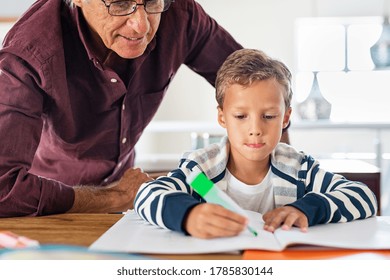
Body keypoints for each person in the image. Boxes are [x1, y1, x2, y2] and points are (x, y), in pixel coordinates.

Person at [0, 0, 255, 217]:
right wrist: (113, 197)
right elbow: (4, 190)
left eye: (153, 1)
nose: (141, 26)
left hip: (128, 198)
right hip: (50, 210)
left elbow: (257, 82)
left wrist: (277, 178)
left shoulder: (179, 14)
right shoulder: (27, 55)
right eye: (120, 3)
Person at [134, 49, 378, 239]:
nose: (255, 130)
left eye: (269, 116)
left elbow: (363, 196)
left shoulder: (300, 169)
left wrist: (307, 209)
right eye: (241, 117)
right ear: (222, 117)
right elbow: (146, 194)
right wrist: (187, 215)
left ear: (285, 118)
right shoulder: (199, 170)